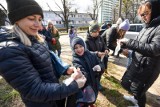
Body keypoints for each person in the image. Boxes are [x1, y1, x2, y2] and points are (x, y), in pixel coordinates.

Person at [0, 0, 87, 107]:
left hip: (53, 95)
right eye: (31, 19)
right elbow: (34, 90)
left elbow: (48, 57)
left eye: (40, 19)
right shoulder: (9, 50)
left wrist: (65, 69)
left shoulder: (35, 38)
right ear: (16, 19)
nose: (38, 25)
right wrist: (73, 86)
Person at [119, 0, 160, 107]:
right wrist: (126, 46)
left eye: (145, 14)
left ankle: (139, 105)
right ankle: (135, 99)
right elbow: (139, 43)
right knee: (135, 88)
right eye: (141, 15)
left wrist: (130, 43)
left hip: (148, 67)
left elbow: (154, 49)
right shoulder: (147, 26)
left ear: (155, 11)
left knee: (140, 89)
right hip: (139, 64)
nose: (143, 17)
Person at [66, 36, 105, 107]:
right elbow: (81, 71)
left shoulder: (91, 54)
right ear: (73, 49)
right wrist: (81, 74)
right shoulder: (76, 60)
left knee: (94, 95)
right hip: (86, 85)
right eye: (76, 48)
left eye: (80, 46)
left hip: (95, 83)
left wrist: (100, 67)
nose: (79, 49)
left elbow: (101, 63)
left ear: (84, 45)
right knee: (85, 98)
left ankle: (91, 103)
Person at [85, 20, 109, 90]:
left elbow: (104, 45)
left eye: (98, 32)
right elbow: (87, 53)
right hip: (92, 61)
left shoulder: (100, 37)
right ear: (91, 32)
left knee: (101, 70)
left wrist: (106, 49)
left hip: (101, 59)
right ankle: (95, 83)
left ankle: (97, 82)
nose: (97, 33)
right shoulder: (87, 40)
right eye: (95, 32)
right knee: (95, 73)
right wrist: (96, 54)